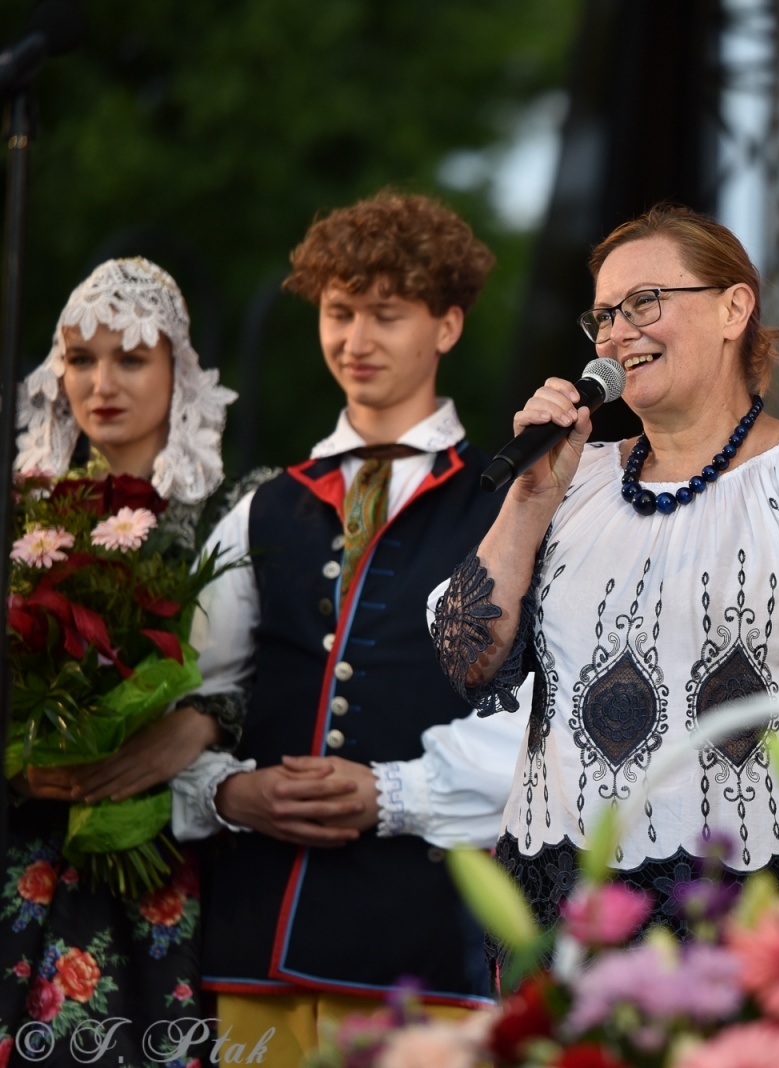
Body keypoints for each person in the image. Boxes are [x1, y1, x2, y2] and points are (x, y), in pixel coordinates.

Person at [429, 204, 779, 959]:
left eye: (644, 302)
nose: (616, 333)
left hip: (742, 912)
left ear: (735, 307)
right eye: (603, 315)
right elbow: (462, 655)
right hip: (561, 901)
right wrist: (530, 497)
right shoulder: (575, 480)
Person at [174, 193, 524, 1064]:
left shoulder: (508, 507)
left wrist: (394, 792)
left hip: (428, 954)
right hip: (257, 945)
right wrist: (228, 793)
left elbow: (541, 723)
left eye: (385, 314)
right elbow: (188, 699)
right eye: (339, 311)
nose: (355, 340)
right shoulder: (263, 507)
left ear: (446, 325)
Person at [4, 257, 238, 1059]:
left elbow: (273, 679)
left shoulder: (235, 512)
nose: (102, 381)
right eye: (81, 358)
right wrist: (23, 751)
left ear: (180, 374)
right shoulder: (24, 517)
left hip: (174, 855)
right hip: (30, 843)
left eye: (132, 357)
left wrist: (201, 724)